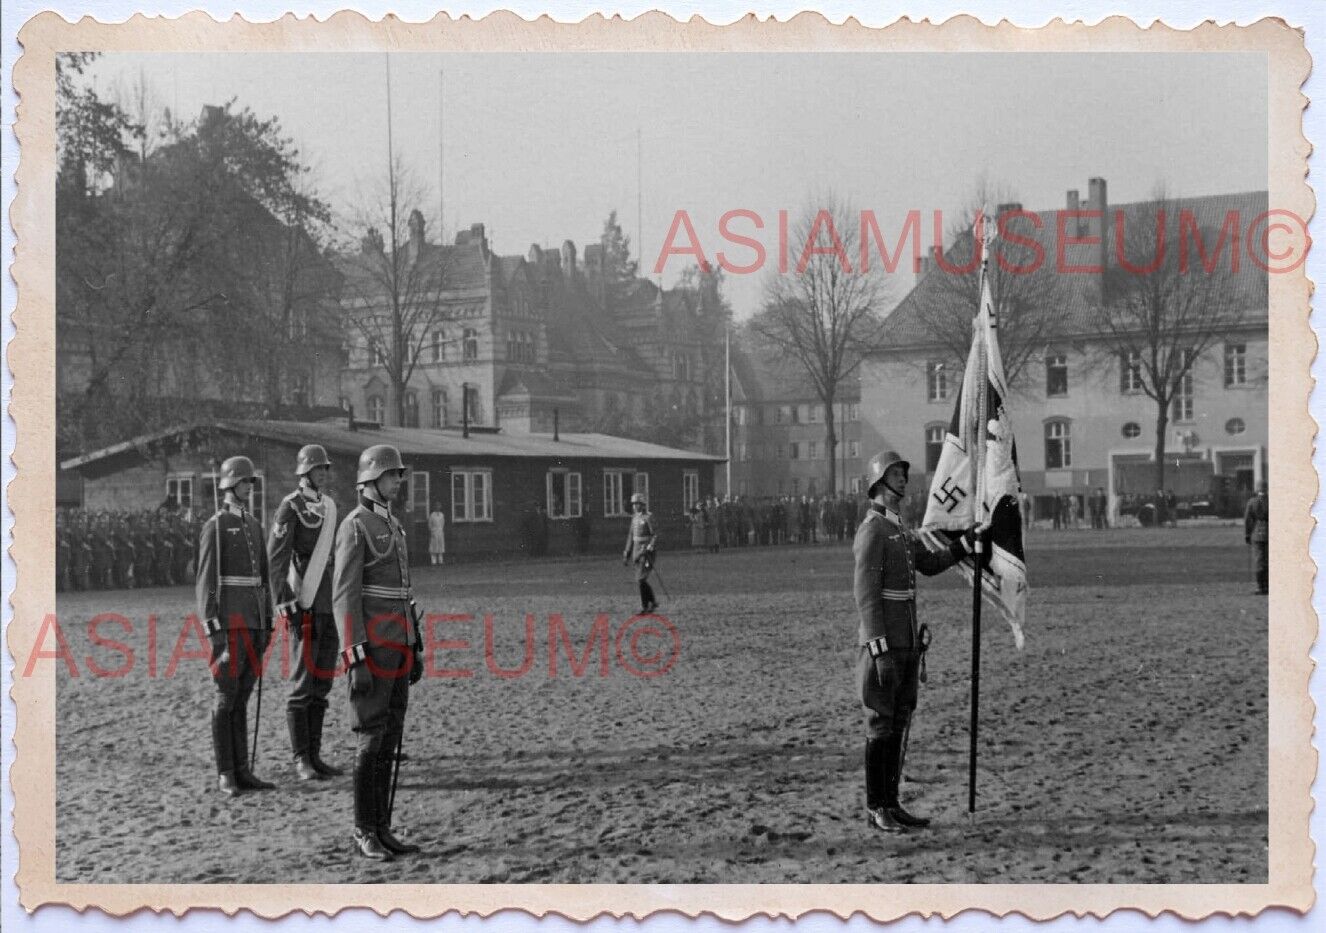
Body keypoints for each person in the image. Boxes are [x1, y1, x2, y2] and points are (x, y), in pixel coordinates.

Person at [853, 451, 973, 834]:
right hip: (884, 646)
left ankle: (892, 802)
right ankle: (877, 807)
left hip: (907, 642)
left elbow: (930, 565)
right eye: (895, 473)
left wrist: (965, 546)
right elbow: (867, 596)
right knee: (880, 725)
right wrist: (879, 648)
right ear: (878, 482)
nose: (903, 478)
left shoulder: (901, 530)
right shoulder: (872, 530)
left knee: (899, 723)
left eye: (903, 473)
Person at [335, 444, 425, 860]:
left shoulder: (394, 524)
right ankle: (363, 830)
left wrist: (415, 645)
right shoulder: (356, 526)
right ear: (369, 480)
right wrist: (354, 657)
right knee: (370, 740)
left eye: (399, 475)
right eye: (391, 475)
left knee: (389, 737)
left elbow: (404, 592)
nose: (398, 481)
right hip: (372, 648)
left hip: (398, 645)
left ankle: (382, 826)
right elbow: (345, 597)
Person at [197, 455, 276, 797]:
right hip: (229, 623)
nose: (249, 486)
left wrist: (268, 619)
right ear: (229, 485)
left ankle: (243, 768)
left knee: (242, 695)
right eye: (244, 481)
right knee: (226, 695)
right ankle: (226, 772)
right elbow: (206, 581)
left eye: (250, 481)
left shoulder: (255, 525)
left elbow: (264, 578)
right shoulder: (216, 525)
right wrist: (213, 626)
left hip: (254, 621)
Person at [268, 444, 343, 782]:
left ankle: (315, 754)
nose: (324, 473)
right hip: (304, 600)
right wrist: (286, 603)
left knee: (322, 680)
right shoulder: (290, 508)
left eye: (326, 468)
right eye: (318, 469)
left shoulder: (328, 507)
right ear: (304, 473)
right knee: (303, 682)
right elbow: (277, 559)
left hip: (328, 601)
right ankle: (302, 759)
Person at [623, 492, 658, 612]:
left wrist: (650, 547)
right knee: (640, 579)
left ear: (642, 505)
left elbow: (655, 535)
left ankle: (645, 606)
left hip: (646, 551)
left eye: (637, 504)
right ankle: (652, 602)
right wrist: (627, 552)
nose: (635, 506)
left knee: (641, 579)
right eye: (634, 504)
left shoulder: (648, 517)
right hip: (636, 551)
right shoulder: (634, 518)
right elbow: (631, 536)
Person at [1244, 481, 1269, 595]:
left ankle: (1260, 586)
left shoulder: (1252, 502)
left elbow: (1248, 520)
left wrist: (1247, 535)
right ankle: (1268, 585)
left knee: (1259, 561)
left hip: (1257, 533)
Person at [428, 501, 447, 566]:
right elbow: (430, 524)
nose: (438, 507)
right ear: (434, 507)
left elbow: (443, 523)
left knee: (440, 545)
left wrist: (440, 529)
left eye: (439, 506)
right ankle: (433, 561)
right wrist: (432, 531)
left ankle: (440, 561)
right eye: (436, 506)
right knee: (434, 546)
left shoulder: (442, 515)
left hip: (440, 531)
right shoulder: (432, 515)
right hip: (434, 531)